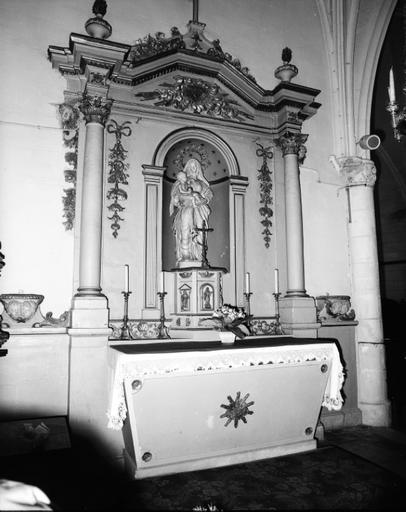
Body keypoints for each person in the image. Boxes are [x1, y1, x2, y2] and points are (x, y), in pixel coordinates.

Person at [169, 159, 212, 265]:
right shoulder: (181, 182)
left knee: (200, 231)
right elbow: (175, 197)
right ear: (187, 168)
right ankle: (185, 255)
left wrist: (202, 200)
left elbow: (209, 195)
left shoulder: (202, 184)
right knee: (185, 228)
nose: (193, 169)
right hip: (186, 207)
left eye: (195, 166)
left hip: (199, 208)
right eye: (191, 166)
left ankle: (200, 257)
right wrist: (179, 199)